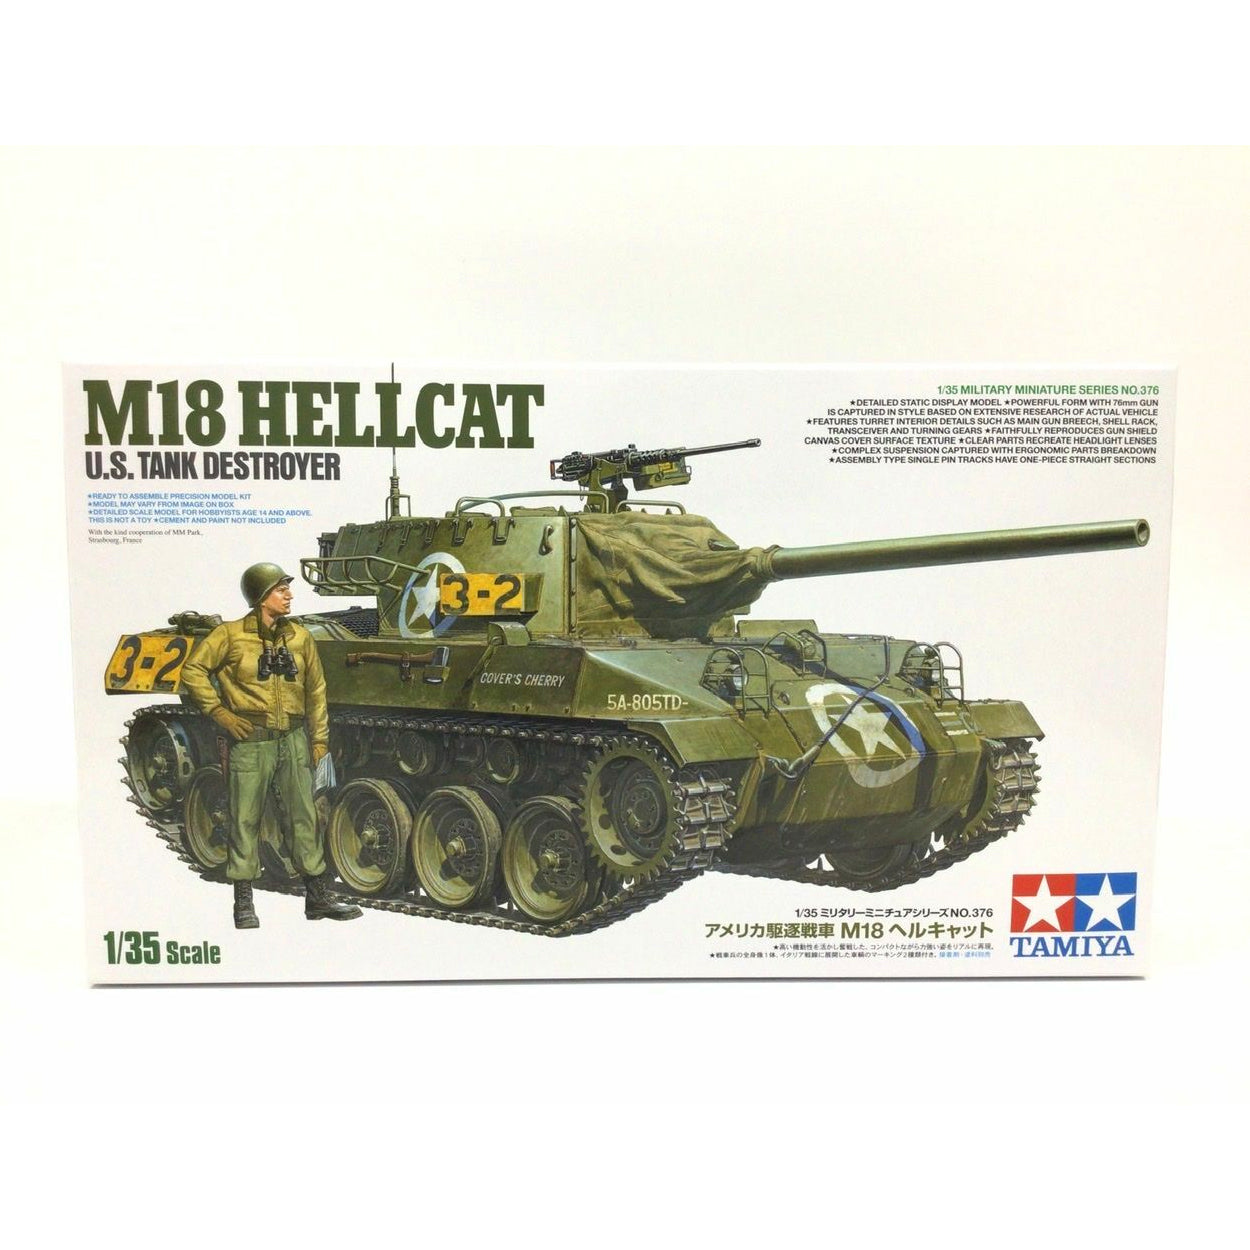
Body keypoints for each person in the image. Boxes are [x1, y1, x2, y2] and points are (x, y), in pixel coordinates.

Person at [180, 562, 361, 928]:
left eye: (288, 589)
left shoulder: (300, 638)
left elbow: (316, 691)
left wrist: (319, 739)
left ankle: (318, 897)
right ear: (262, 597)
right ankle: (243, 902)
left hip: (293, 739)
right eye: (281, 589)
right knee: (244, 819)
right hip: (251, 741)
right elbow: (192, 670)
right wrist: (220, 713)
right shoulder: (230, 636)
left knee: (303, 817)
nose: (289, 595)